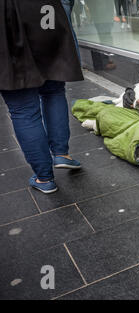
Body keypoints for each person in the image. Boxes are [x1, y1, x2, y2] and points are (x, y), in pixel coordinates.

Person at [0, 0, 84, 194]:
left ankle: (44, 177)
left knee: (23, 108)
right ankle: (62, 153)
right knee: (53, 89)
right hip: (46, 11)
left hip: (8, 17)